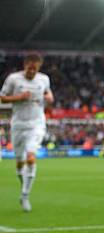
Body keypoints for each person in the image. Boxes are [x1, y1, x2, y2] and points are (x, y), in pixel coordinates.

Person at [0, 53, 54, 212]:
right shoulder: (13, 79)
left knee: (31, 158)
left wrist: (50, 98)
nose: (32, 72)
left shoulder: (44, 79)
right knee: (19, 162)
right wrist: (20, 97)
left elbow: (48, 93)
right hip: (18, 124)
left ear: (38, 67)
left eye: (35, 69)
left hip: (36, 123)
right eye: (29, 68)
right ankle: (24, 187)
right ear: (25, 65)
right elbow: (2, 98)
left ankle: (24, 196)